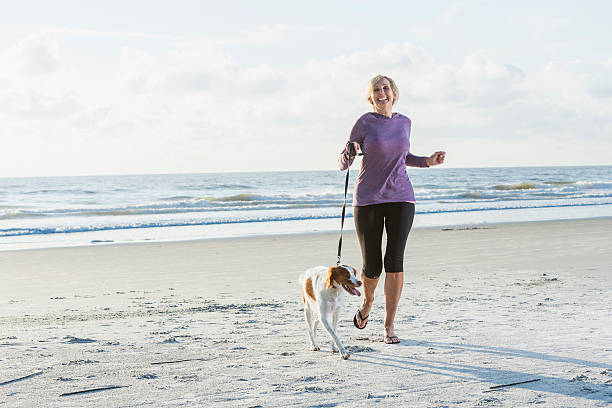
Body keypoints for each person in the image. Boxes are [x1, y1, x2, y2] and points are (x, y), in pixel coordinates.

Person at [338, 75, 445, 344]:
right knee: (372, 266)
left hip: (401, 197)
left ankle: (389, 326)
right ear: (370, 96)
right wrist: (350, 152)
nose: (381, 92)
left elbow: (403, 157)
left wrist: (428, 162)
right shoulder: (364, 122)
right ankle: (367, 304)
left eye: (385, 88)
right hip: (368, 199)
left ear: (394, 93)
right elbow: (343, 162)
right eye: (376, 89)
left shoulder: (404, 122)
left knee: (394, 261)